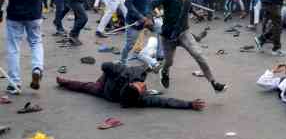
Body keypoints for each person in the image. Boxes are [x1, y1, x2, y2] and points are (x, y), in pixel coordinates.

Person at [0, 0, 77, 94]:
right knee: (35, 43)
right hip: (34, 15)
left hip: (14, 15)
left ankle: (14, 83)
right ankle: (37, 69)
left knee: (13, 48)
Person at [151, 0, 227, 93]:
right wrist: (149, 18)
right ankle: (164, 72)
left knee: (199, 55)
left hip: (184, 32)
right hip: (168, 34)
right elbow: (151, 5)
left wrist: (196, 14)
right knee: (169, 62)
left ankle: (214, 83)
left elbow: (188, 5)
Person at [56, 62, 205, 111]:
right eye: (142, 86)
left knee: (85, 87)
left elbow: (165, 102)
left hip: (105, 91)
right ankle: (65, 82)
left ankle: (64, 82)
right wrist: (189, 104)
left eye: (141, 87)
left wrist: (189, 104)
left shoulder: (138, 97)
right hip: (106, 81)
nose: (144, 86)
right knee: (87, 85)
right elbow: (164, 101)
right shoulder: (139, 92)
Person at [120, 0, 160, 71]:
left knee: (161, 31)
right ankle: (122, 62)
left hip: (146, 21)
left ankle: (156, 58)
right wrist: (141, 17)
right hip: (134, 22)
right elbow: (127, 2)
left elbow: (150, 5)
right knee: (130, 45)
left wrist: (150, 17)